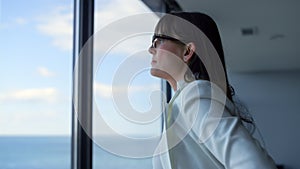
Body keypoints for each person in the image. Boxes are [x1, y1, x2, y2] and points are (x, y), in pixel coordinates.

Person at [148, 12, 277, 169]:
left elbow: (256, 165)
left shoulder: (195, 96)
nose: (151, 49)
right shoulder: (182, 101)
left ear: (187, 51)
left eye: (159, 40)